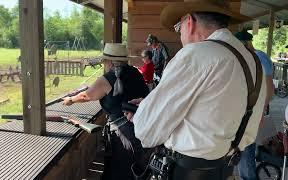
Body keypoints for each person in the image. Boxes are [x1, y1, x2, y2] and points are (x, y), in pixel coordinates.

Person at [125, 0, 267, 179]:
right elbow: (209, 110)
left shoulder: (196, 54)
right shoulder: (254, 62)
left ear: (189, 22)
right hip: (226, 171)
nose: (180, 34)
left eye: (178, 27)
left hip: (185, 172)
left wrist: (141, 114)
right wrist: (150, 104)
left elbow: (147, 132)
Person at [63, 43, 149, 180]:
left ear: (108, 61)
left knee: (119, 169)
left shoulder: (107, 79)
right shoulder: (135, 72)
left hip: (122, 132)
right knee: (134, 168)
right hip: (141, 127)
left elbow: (86, 96)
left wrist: (71, 99)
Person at [235, 30, 275, 180]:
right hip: (251, 109)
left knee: (246, 147)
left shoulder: (259, 57)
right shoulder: (253, 56)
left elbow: (269, 87)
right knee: (244, 146)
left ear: (244, 43)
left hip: (255, 110)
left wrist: (262, 110)